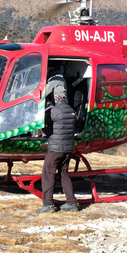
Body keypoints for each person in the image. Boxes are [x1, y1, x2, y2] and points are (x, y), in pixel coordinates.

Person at [37, 83, 79, 213]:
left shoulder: (54, 111)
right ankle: (71, 203)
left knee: (48, 174)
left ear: (56, 97)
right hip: (68, 148)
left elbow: (42, 122)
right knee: (64, 174)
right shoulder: (72, 111)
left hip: (56, 148)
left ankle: (48, 205)